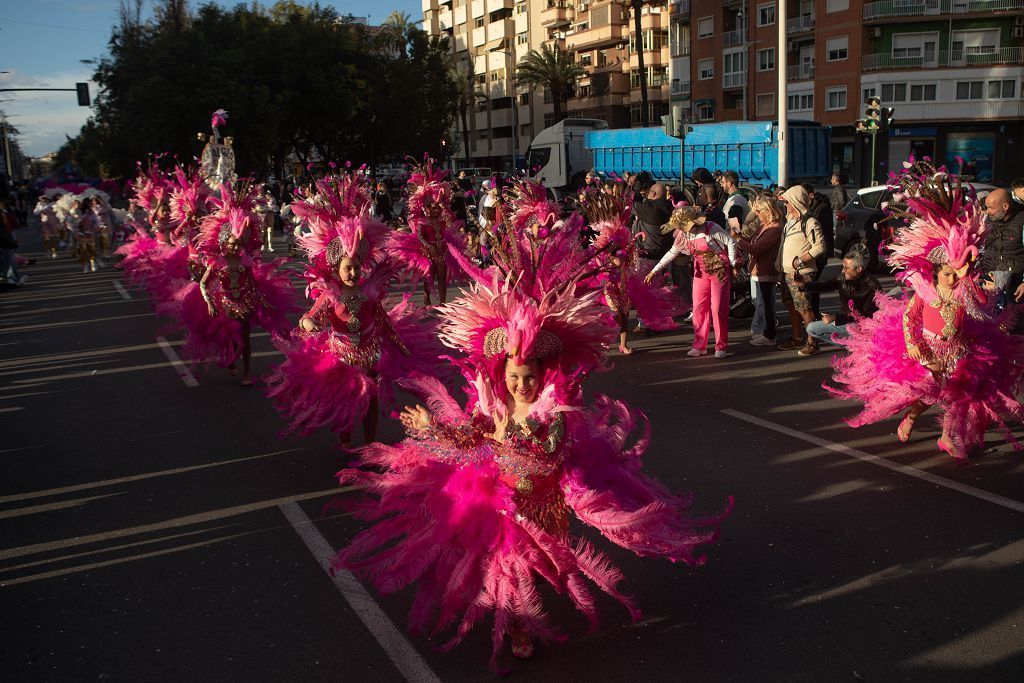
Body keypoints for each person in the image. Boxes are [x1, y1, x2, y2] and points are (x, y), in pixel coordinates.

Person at [332, 209, 730, 668]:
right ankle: (519, 625)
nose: (521, 384)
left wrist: (499, 438)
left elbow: (545, 456)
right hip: (505, 508)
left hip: (546, 507)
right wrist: (433, 428)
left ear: (542, 375)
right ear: (504, 374)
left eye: (529, 377)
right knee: (513, 572)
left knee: (544, 575)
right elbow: (467, 443)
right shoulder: (492, 404)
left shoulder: (555, 410)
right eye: (515, 376)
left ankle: (523, 611)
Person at [828, 160, 1024, 460]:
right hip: (930, 349)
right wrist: (914, 345)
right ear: (935, 273)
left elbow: (979, 309)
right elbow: (911, 317)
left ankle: (947, 437)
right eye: (947, 274)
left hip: (959, 349)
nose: (953, 278)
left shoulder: (964, 286)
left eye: (956, 273)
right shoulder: (925, 290)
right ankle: (912, 416)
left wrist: (981, 292)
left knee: (957, 396)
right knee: (929, 393)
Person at [267, 172, 442, 446]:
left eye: (356, 267)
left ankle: (371, 444)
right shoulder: (330, 294)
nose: (352, 272)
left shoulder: (369, 291)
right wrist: (308, 324)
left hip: (371, 355)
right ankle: (347, 441)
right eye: (347, 267)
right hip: (342, 356)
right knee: (347, 401)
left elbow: (382, 320)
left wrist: (401, 346)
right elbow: (312, 317)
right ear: (336, 268)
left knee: (371, 399)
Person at [193, 185, 295, 385]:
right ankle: (231, 359)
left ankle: (246, 373)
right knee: (231, 339)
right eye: (231, 243)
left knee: (246, 339)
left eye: (238, 243)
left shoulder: (245, 263)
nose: (235, 246)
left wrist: (261, 302)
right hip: (225, 303)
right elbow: (204, 284)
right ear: (224, 243)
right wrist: (210, 303)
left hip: (245, 304)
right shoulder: (217, 262)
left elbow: (252, 284)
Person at [645, 205, 741, 358]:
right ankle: (699, 345)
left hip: (719, 270)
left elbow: (731, 242)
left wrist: (733, 263)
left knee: (717, 308)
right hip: (700, 272)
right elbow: (672, 252)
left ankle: (720, 346)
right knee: (698, 308)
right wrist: (654, 270)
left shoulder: (711, 227)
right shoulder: (683, 235)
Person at [388, 162, 467, 307]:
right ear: (426, 209)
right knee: (428, 277)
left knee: (442, 277)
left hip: (442, 251)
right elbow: (420, 236)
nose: (436, 210)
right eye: (433, 208)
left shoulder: (443, 219)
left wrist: (443, 205)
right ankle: (426, 299)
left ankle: (443, 303)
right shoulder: (422, 221)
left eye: (438, 208)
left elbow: (451, 223)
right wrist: (428, 247)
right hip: (428, 252)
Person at [796, 251, 881, 353]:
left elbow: (867, 316)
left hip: (863, 326)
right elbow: (825, 285)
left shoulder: (872, 286)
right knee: (811, 328)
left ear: (859, 269)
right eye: (843, 266)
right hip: (845, 321)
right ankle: (850, 345)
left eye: (846, 268)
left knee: (854, 326)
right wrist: (804, 285)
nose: (843, 270)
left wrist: (835, 317)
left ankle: (860, 344)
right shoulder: (842, 277)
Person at [776, 186, 826, 354]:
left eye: (788, 202)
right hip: (787, 272)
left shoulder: (810, 222)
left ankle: (812, 343)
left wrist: (800, 261)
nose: (785, 205)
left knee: (805, 308)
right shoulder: (790, 222)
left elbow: (819, 247)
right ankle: (797, 339)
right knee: (793, 306)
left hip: (801, 273)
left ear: (796, 202)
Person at [734, 195, 782, 346]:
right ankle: (764, 332)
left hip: (766, 270)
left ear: (767, 211)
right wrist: (739, 236)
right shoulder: (764, 225)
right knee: (762, 302)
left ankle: (769, 335)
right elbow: (750, 240)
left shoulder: (774, 228)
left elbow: (756, 248)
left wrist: (738, 240)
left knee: (766, 303)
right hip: (759, 269)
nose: (758, 214)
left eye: (759, 211)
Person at [982, 188, 1024, 304]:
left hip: (1014, 288)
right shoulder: (988, 221)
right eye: (987, 207)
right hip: (989, 283)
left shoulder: (1021, 222)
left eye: (991, 208)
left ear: (1005, 207)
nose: (987, 211)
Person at [34, 194, 60, 259]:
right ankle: (48, 251)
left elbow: (59, 213)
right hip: (45, 224)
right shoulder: (40, 205)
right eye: (44, 198)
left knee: (54, 239)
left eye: (46, 198)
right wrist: (40, 206)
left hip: (54, 224)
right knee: (47, 239)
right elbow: (35, 213)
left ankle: (54, 252)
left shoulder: (54, 204)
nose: (45, 200)